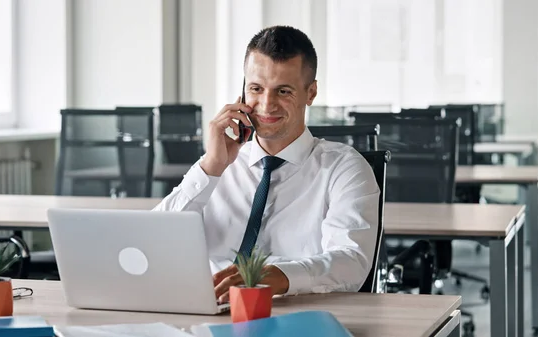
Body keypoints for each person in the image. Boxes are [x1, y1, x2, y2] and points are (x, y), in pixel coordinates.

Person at [153, 25, 380, 303]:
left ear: (311, 93)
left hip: (295, 316)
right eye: (256, 89)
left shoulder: (344, 168)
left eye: (283, 91)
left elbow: (351, 262)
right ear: (242, 92)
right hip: (204, 310)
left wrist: (277, 276)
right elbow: (153, 243)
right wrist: (211, 168)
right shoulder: (218, 164)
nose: (266, 104)